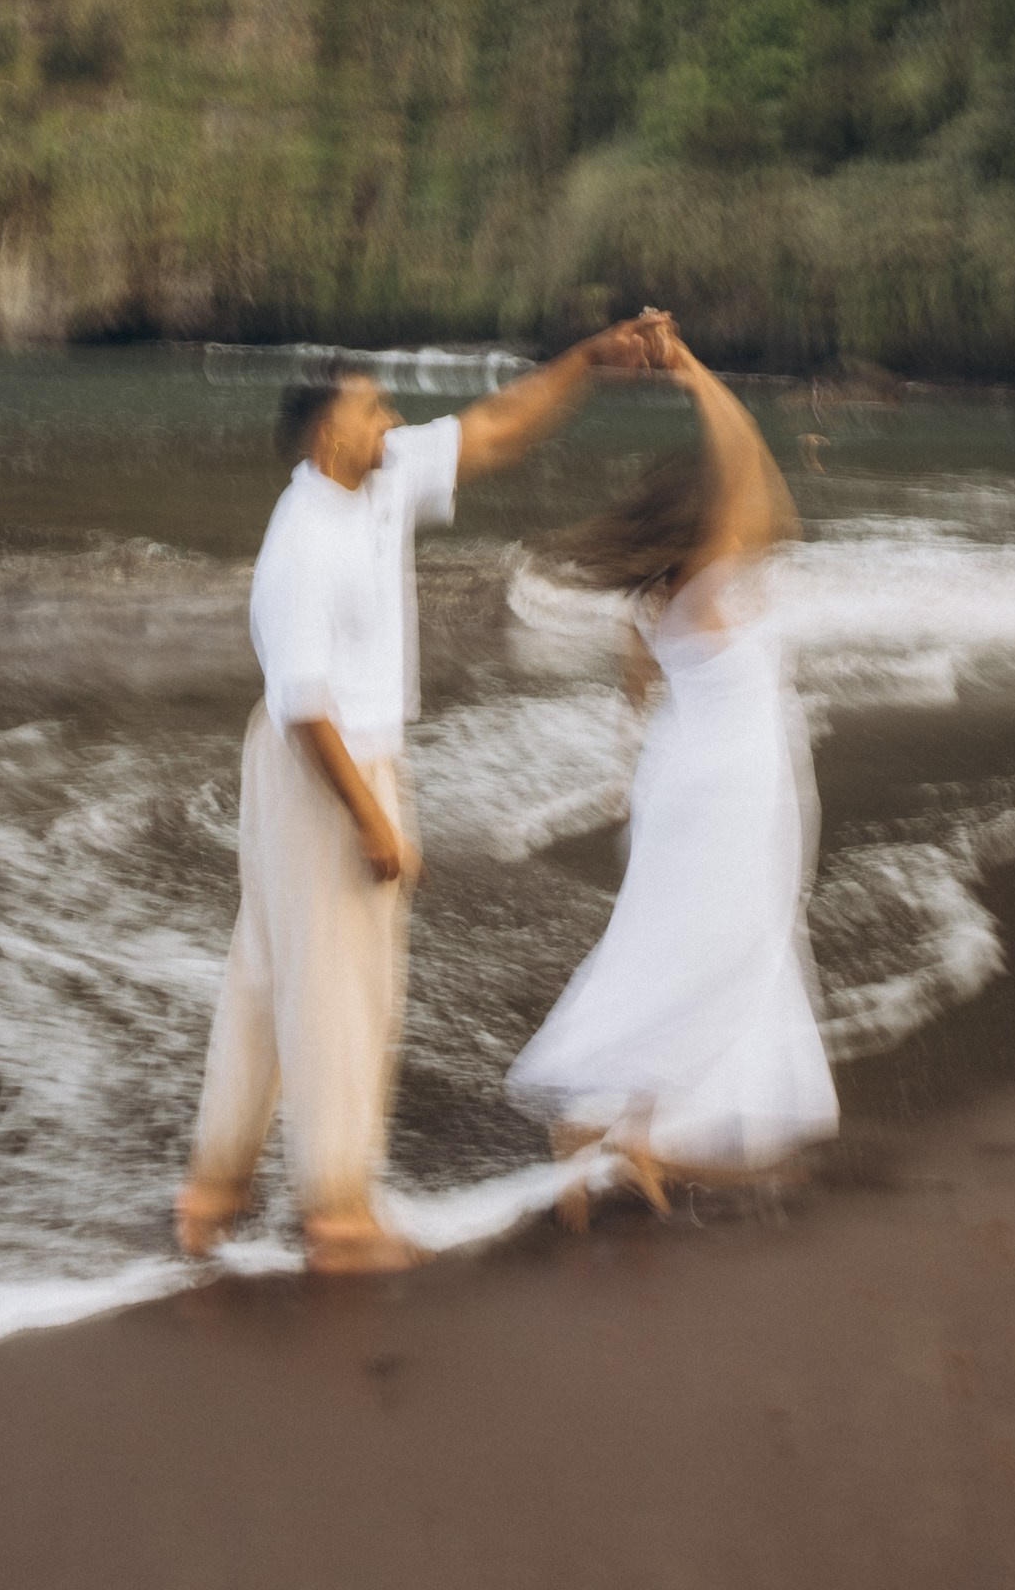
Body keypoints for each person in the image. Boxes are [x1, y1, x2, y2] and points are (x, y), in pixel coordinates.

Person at [176, 327, 659, 1274]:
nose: (390, 420)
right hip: (326, 768)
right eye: (369, 410)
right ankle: (338, 1217)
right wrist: (374, 820)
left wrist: (590, 360)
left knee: (270, 976)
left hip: (318, 757)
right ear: (326, 440)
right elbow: (307, 707)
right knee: (343, 991)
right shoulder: (301, 542)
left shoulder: (380, 474)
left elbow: (495, 430)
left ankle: (214, 1190)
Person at [507, 329, 837, 1210]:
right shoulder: (716, 582)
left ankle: (632, 1131)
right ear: (708, 521)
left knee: (683, 952)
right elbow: (752, 461)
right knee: (717, 955)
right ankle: (613, 1129)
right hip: (730, 790)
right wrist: (692, 373)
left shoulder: (658, 603)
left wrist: (631, 786)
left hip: (687, 784)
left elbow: (639, 706)